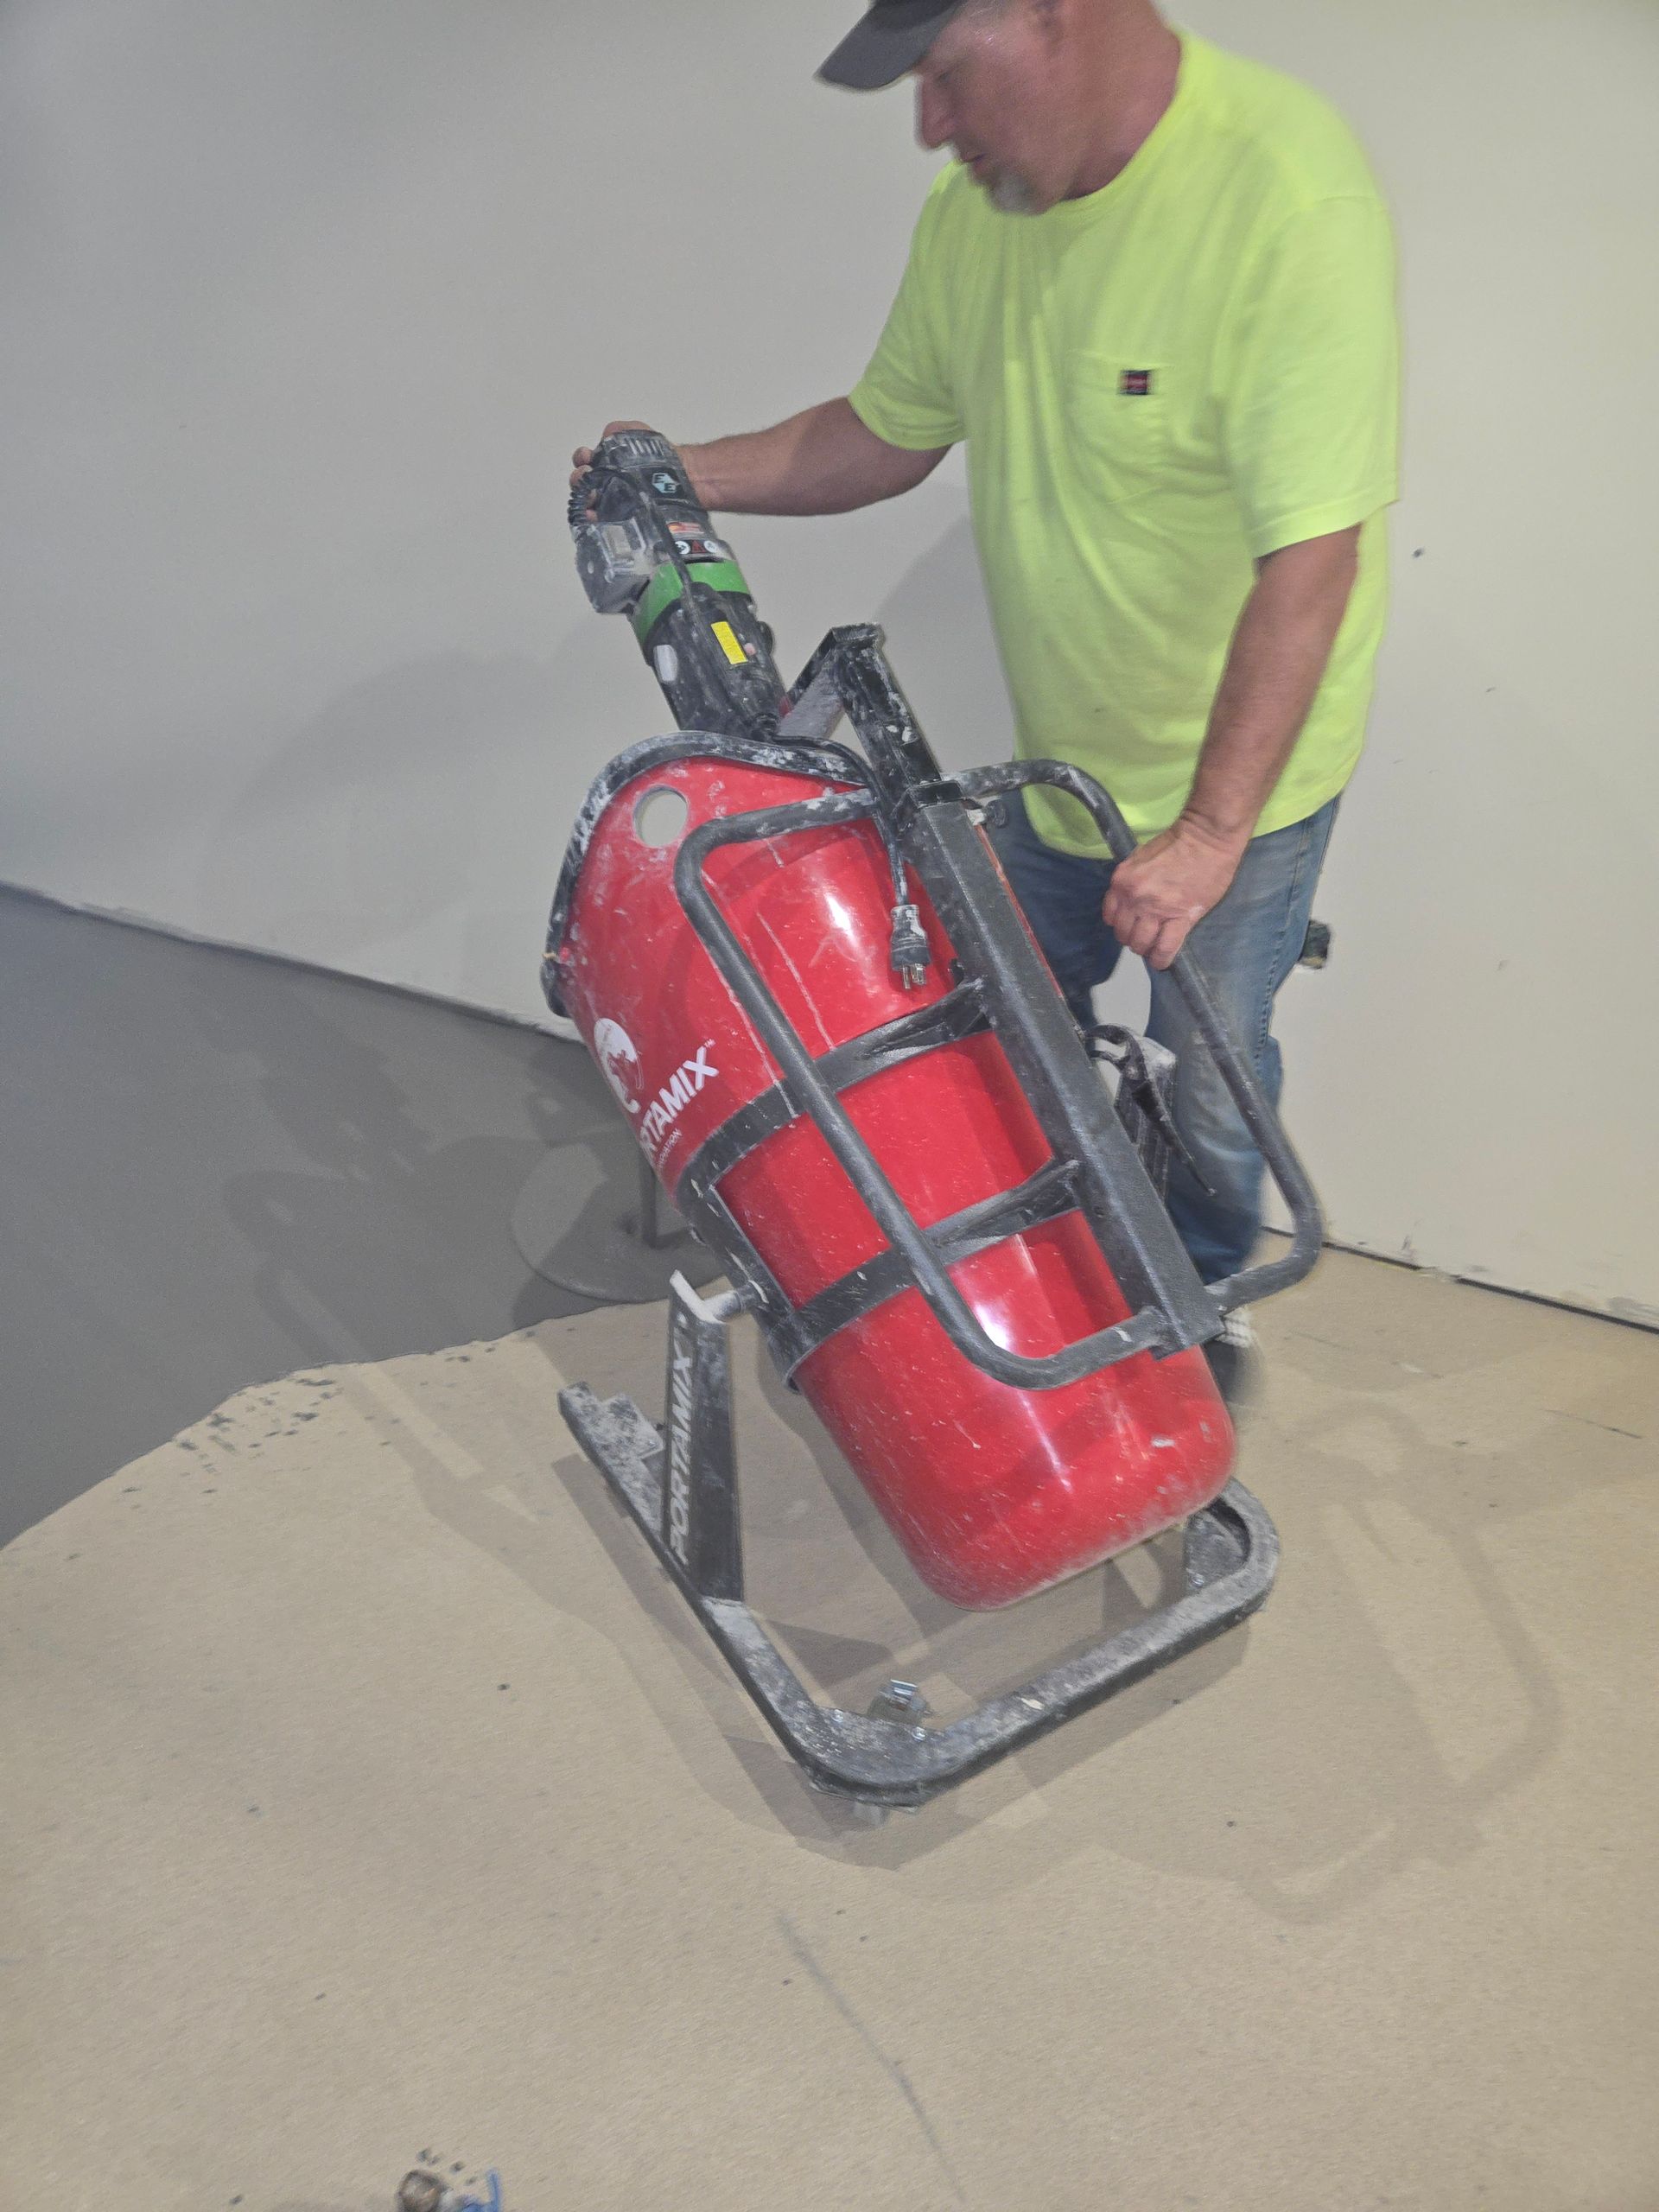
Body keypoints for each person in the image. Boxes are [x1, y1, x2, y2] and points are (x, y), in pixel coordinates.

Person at [573, 0, 1400, 1398]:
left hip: (1239, 792)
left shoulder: (1282, 194)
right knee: (1001, 1015)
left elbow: (1311, 564)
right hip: (1063, 761)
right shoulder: (979, 222)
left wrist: (1205, 832)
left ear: (1052, 17)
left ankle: (1203, 1298)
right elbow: (880, 434)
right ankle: (1044, 1259)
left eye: (947, 75)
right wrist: (676, 470)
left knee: (1212, 1063)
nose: (930, 126)